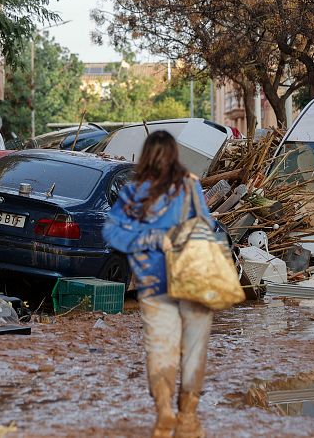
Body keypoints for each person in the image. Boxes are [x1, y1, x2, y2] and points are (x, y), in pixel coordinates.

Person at [103, 130, 216, 438]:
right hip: (191, 281)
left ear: (147, 155)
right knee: (193, 350)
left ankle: (165, 411)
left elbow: (111, 233)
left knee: (160, 349)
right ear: (174, 154)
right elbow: (207, 224)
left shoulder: (133, 192)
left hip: (153, 285)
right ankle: (188, 416)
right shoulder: (190, 186)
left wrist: (145, 238)